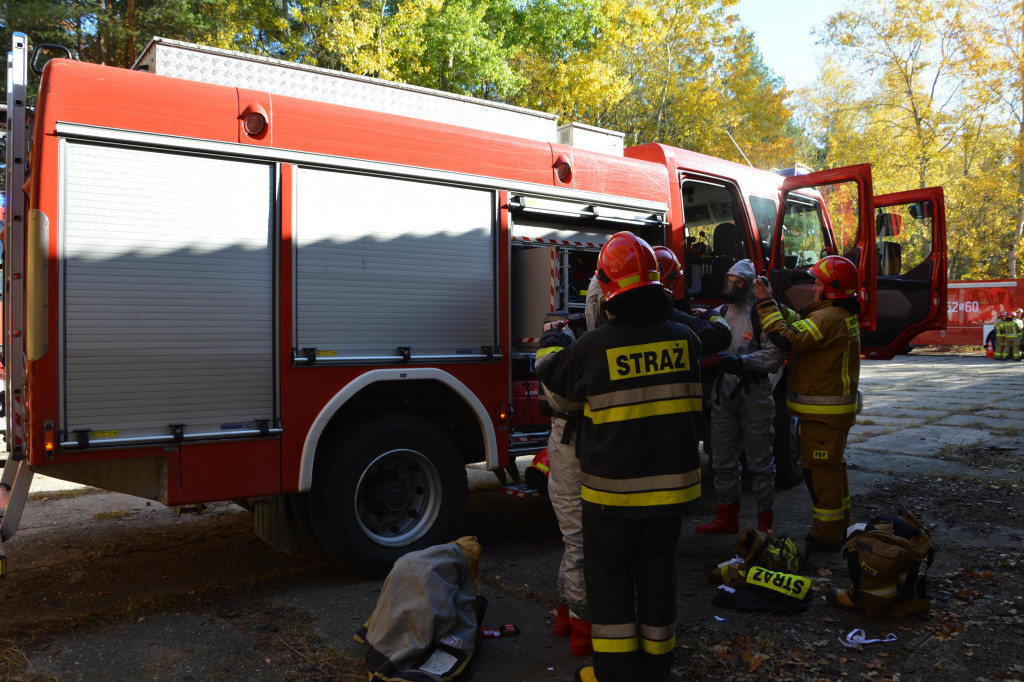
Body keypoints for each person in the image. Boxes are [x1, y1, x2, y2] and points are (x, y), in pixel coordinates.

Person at [536, 232, 702, 682]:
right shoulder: (686, 340)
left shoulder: (591, 348)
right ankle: (655, 670)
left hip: (613, 495)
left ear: (606, 286)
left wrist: (552, 342)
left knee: (609, 586)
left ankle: (614, 674)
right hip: (671, 494)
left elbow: (557, 391)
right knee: (657, 582)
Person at [753, 255, 860, 553]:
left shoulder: (829, 319)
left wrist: (764, 305)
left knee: (821, 475)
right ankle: (838, 527)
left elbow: (788, 339)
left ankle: (825, 537)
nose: (813, 288)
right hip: (830, 415)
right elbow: (801, 326)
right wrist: (775, 304)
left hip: (823, 416)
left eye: (818, 283)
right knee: (832, 470)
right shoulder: (835, 314)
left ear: (832, 288)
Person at [696, 260, 786, 536]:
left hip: (754, 391)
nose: (732, 286)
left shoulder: (765, 313)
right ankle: (727, 515)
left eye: (738, 282)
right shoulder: (720, 312)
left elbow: (775, 354)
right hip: (724, 392)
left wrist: (740, 361)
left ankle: (764, 522)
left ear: (750, 285)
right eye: (729, 280)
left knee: (760, 459)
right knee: (722, 457)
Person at [535, 311, 591, 657]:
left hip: (568, 444)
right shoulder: (560, 363)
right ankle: (582, 634)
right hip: (574, 446)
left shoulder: (560, 354)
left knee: (575, 541)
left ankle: (565, 617)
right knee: (581, 542)